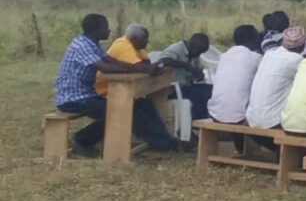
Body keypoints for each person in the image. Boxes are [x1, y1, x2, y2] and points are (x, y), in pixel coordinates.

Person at [54, 14, 173, 157]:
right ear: (95, 29)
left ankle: (164, 140)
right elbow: (106, 68)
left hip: (87, 94)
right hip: (72, 98)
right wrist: (142, 69)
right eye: (105, 28)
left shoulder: (92, 44)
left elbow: (112, 61)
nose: (109, 31)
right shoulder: (82, 45)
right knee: (120, 111)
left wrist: (144, 68)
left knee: (142, 104)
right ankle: (81, 139)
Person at [246, 26, 306, 129]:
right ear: (303, 45)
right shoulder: (297, 60)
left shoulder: (268, 55)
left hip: (252, 118)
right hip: (273, 121)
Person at [208, 25, 264, 125]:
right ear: (252, 39)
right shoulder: (255, 58)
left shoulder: (224, 56)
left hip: (215, 112)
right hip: (239, 117)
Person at [155, 32, 213, 121]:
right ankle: (198, 123)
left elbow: (198, 70)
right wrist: (186, 65)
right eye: (199, 52)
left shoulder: (194, 52)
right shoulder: (177, 48)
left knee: (212, 90)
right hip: (173, 89)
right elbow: (163, 61)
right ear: (191, 44)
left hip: (187, 86)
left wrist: (199, 74)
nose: (199, 55)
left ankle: (211, 119)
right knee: (201, 95)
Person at [94, 23, 154, 97]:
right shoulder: (122, 45)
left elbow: (147, 64)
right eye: (145, 38)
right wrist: (144, 67)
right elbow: (138, 66)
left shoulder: (137, 47)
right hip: (104, 90)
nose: (147, 41)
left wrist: (145, 67)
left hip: (120, 87)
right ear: (135, 39)